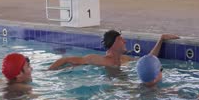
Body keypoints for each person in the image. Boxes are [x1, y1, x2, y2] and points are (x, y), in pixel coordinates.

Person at [48, 30, 179, 70]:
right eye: (122, 39)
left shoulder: (125, 59)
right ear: (116, 42)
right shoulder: (96, 59)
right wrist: (49, 71)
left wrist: (161, 39)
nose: (125, 41)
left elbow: (149, 60)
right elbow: (65, 60)